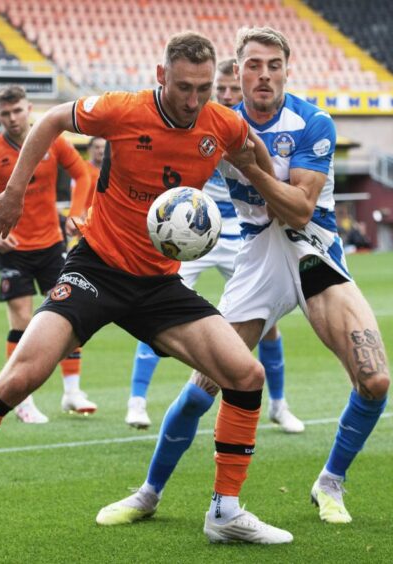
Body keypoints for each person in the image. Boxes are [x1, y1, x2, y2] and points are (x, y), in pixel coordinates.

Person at [0, 31, 293, 551]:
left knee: (245, 373)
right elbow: (54, 120)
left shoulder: (221, 122)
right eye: (184, 88)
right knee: (22, 376)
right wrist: (12, 192)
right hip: (96, 270)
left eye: (204, 89)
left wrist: (270, 186)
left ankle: (226, 512)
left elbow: (250, 151)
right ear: (161, 76)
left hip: (159, 284)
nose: (194, 101)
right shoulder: (123, 111)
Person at [97, 26, 390, 529]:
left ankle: (330, 482)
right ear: (237, 70)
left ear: (286, 70)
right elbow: (165, 173)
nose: (264, 75)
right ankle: (148, 493)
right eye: (254, 65)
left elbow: (299, 211)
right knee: (201, 388)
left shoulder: (312, 123)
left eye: (274, 65)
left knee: (374, 379)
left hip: (313, 253)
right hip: (255, 258)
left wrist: (252, 167)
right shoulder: (215, 124)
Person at [123, 58, 302, 434]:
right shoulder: (195, 123)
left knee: (265, 322)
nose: (223, 96)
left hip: (238, 230)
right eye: (218, 89)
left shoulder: (242, 130)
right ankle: (137, 402)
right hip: (186, 232)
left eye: (231, 90)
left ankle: (280, 404)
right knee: (155, 310)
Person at [0, 84, 97, 424]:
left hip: (52, 245)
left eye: (17, 110)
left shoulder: (51, 140)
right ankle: (23, 400)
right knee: (22, 322)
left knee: (69, 319)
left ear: (29, 109)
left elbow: (82, 175)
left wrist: (77, 213)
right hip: (15, 248)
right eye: (5, 113)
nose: (12, 118)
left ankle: (72, 391)